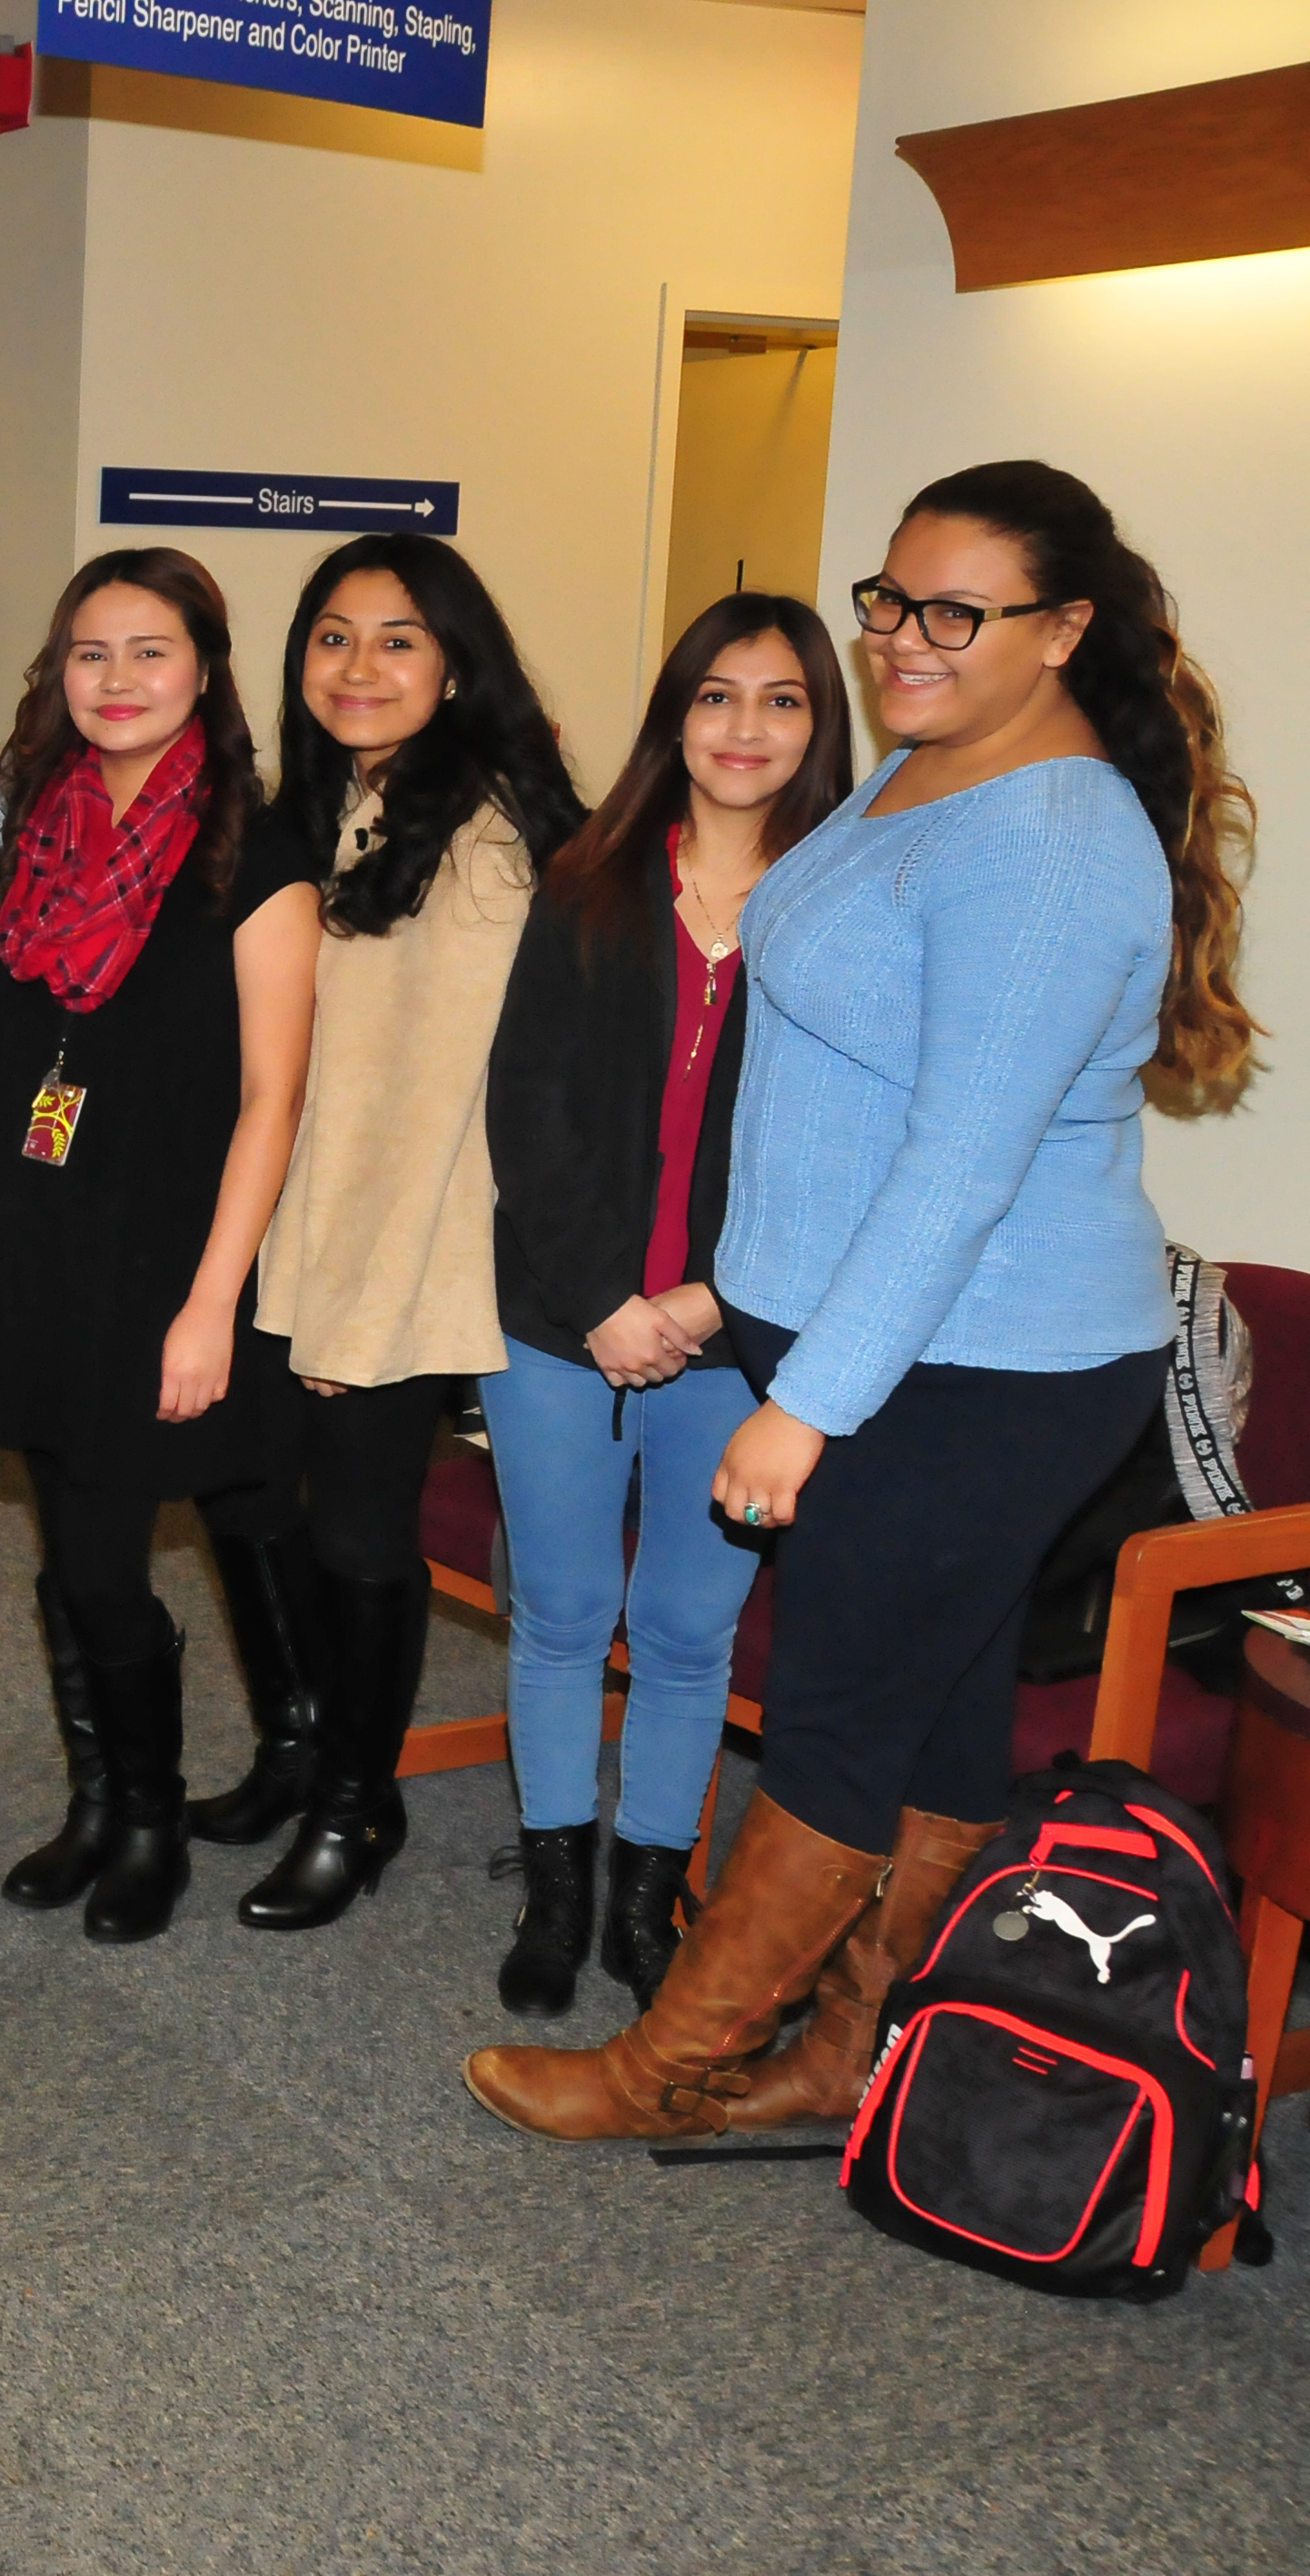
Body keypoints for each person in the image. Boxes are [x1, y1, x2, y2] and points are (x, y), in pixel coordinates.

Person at [470, 460, 1255, 2141]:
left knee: (835, 1711)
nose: (904, 636)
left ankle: (662, 2069)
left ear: (1061, 631)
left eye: (955, 611)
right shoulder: (923, 772)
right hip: (876, 1337)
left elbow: (962, 1164)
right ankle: (852, 2058)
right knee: (941, 1709)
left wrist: (808, 1401)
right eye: (888, 599)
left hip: (975, 1364)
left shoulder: (1048, 843)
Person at [475, 594, 853, 2018]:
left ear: (821, 725)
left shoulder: (848, 904)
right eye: (715, 696)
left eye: (781, 700)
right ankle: (557, 1893)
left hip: (744, 1336)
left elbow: (843, 1151)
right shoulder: (587, 879)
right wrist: (602, 1303)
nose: (744, 728)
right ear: (673, 717)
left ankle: (650, 1896)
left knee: (692, 1631)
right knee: (564, 1610)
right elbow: (530, 1111)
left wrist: (704, 1300)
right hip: (562, 1319)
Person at [0, 548, 323, 1944]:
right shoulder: (42, 827)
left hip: (163, 1260)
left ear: (207, 673)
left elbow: (271, 1101)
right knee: (65, 1545)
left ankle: (154, 1818)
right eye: (91, 654)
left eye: (151, 653)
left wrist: (210, 1304)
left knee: (110, 1559)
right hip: (38, 1238)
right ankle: (100, 1801)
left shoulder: (257, 851)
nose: (117, 682)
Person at [244, 533, 584, 1933]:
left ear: (455, 666)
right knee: (281, 1511)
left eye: (397, 640)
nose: (359, 666)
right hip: (316, 1225)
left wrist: (359, 1306)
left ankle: (355, 1805)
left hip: (403, 1247)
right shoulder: (348, 805)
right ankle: (314, 1752)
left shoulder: (481, 839)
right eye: (333, 636)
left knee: (362, 1539)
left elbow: (431, 1103)